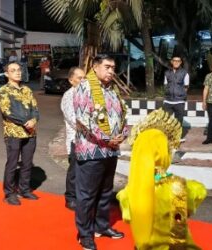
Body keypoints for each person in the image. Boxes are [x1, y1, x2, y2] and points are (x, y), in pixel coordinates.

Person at [117, 109, 207, 250]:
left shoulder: (128, 192)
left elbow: (129, 217)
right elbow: (199, 194)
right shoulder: (179, 186)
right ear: (163, 153)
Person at [73, 54, 128, 250]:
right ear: (95, 67)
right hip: (91, 150)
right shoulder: (84, 87)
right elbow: (83, 119)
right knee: (87, 195)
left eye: (113, 67)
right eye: (107, 66)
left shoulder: (113, 90)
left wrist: (124, 133)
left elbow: (123, 114)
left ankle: (102, 226)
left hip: (111, 151)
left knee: (105, 193)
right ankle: (84, 234)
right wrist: (107, 138)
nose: (111, 71)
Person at [0, 62, 40, 206]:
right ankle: (9, 193)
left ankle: (24, 190)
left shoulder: (27, 90)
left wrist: (34, 119)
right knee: (12, 163)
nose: (17, 72)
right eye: (13, 70)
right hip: (14, 132)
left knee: (27, 163)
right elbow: (7, 112)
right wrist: (27, 122)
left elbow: (35, 107)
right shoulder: (3, 91)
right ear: (7, 74)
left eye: (19, 70)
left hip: (30, 132)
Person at [60, 67, 85, 211]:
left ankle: (82, 197)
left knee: (85, 172)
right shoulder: (69, 96)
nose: (82, 81)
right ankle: (70, 198)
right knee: (74, 171)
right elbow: (74, 121)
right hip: (76, 140)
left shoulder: (86, 94)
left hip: (88, 140)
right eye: (79, 78)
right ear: (71, 80)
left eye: (84, 78)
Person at [163, 55, 189, 142]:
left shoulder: (185, 73)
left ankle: (178, 137)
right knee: (166, 120)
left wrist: (181, 94)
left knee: (178, 121)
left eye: (178, 61)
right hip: (168, 100)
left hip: (179, 101)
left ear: (180, 63)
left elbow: (186, 86)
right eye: (175, 60)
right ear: (172, 62)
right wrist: (167, 93)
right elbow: (166, 85)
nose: (176, 62)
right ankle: (167, 137)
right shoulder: (167, 73)